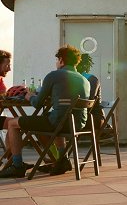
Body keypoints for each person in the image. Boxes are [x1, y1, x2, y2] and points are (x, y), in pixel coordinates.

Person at [0, 45, 90, 178]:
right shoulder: (84, 80)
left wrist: (29, 96)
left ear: (61, 60)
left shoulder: (54, 75)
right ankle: (61, 159)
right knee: (47, 117)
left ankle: (17, 166)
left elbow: (37, 104)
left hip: (59, 122)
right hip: (77, 124)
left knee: (13, 123)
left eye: (57, 60)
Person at [76, 54, 105, 129]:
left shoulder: (92, 79)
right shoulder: (74, 78)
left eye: (76, 64)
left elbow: (89, 102)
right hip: (82, 117)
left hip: (93, 118)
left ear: (84, 66)